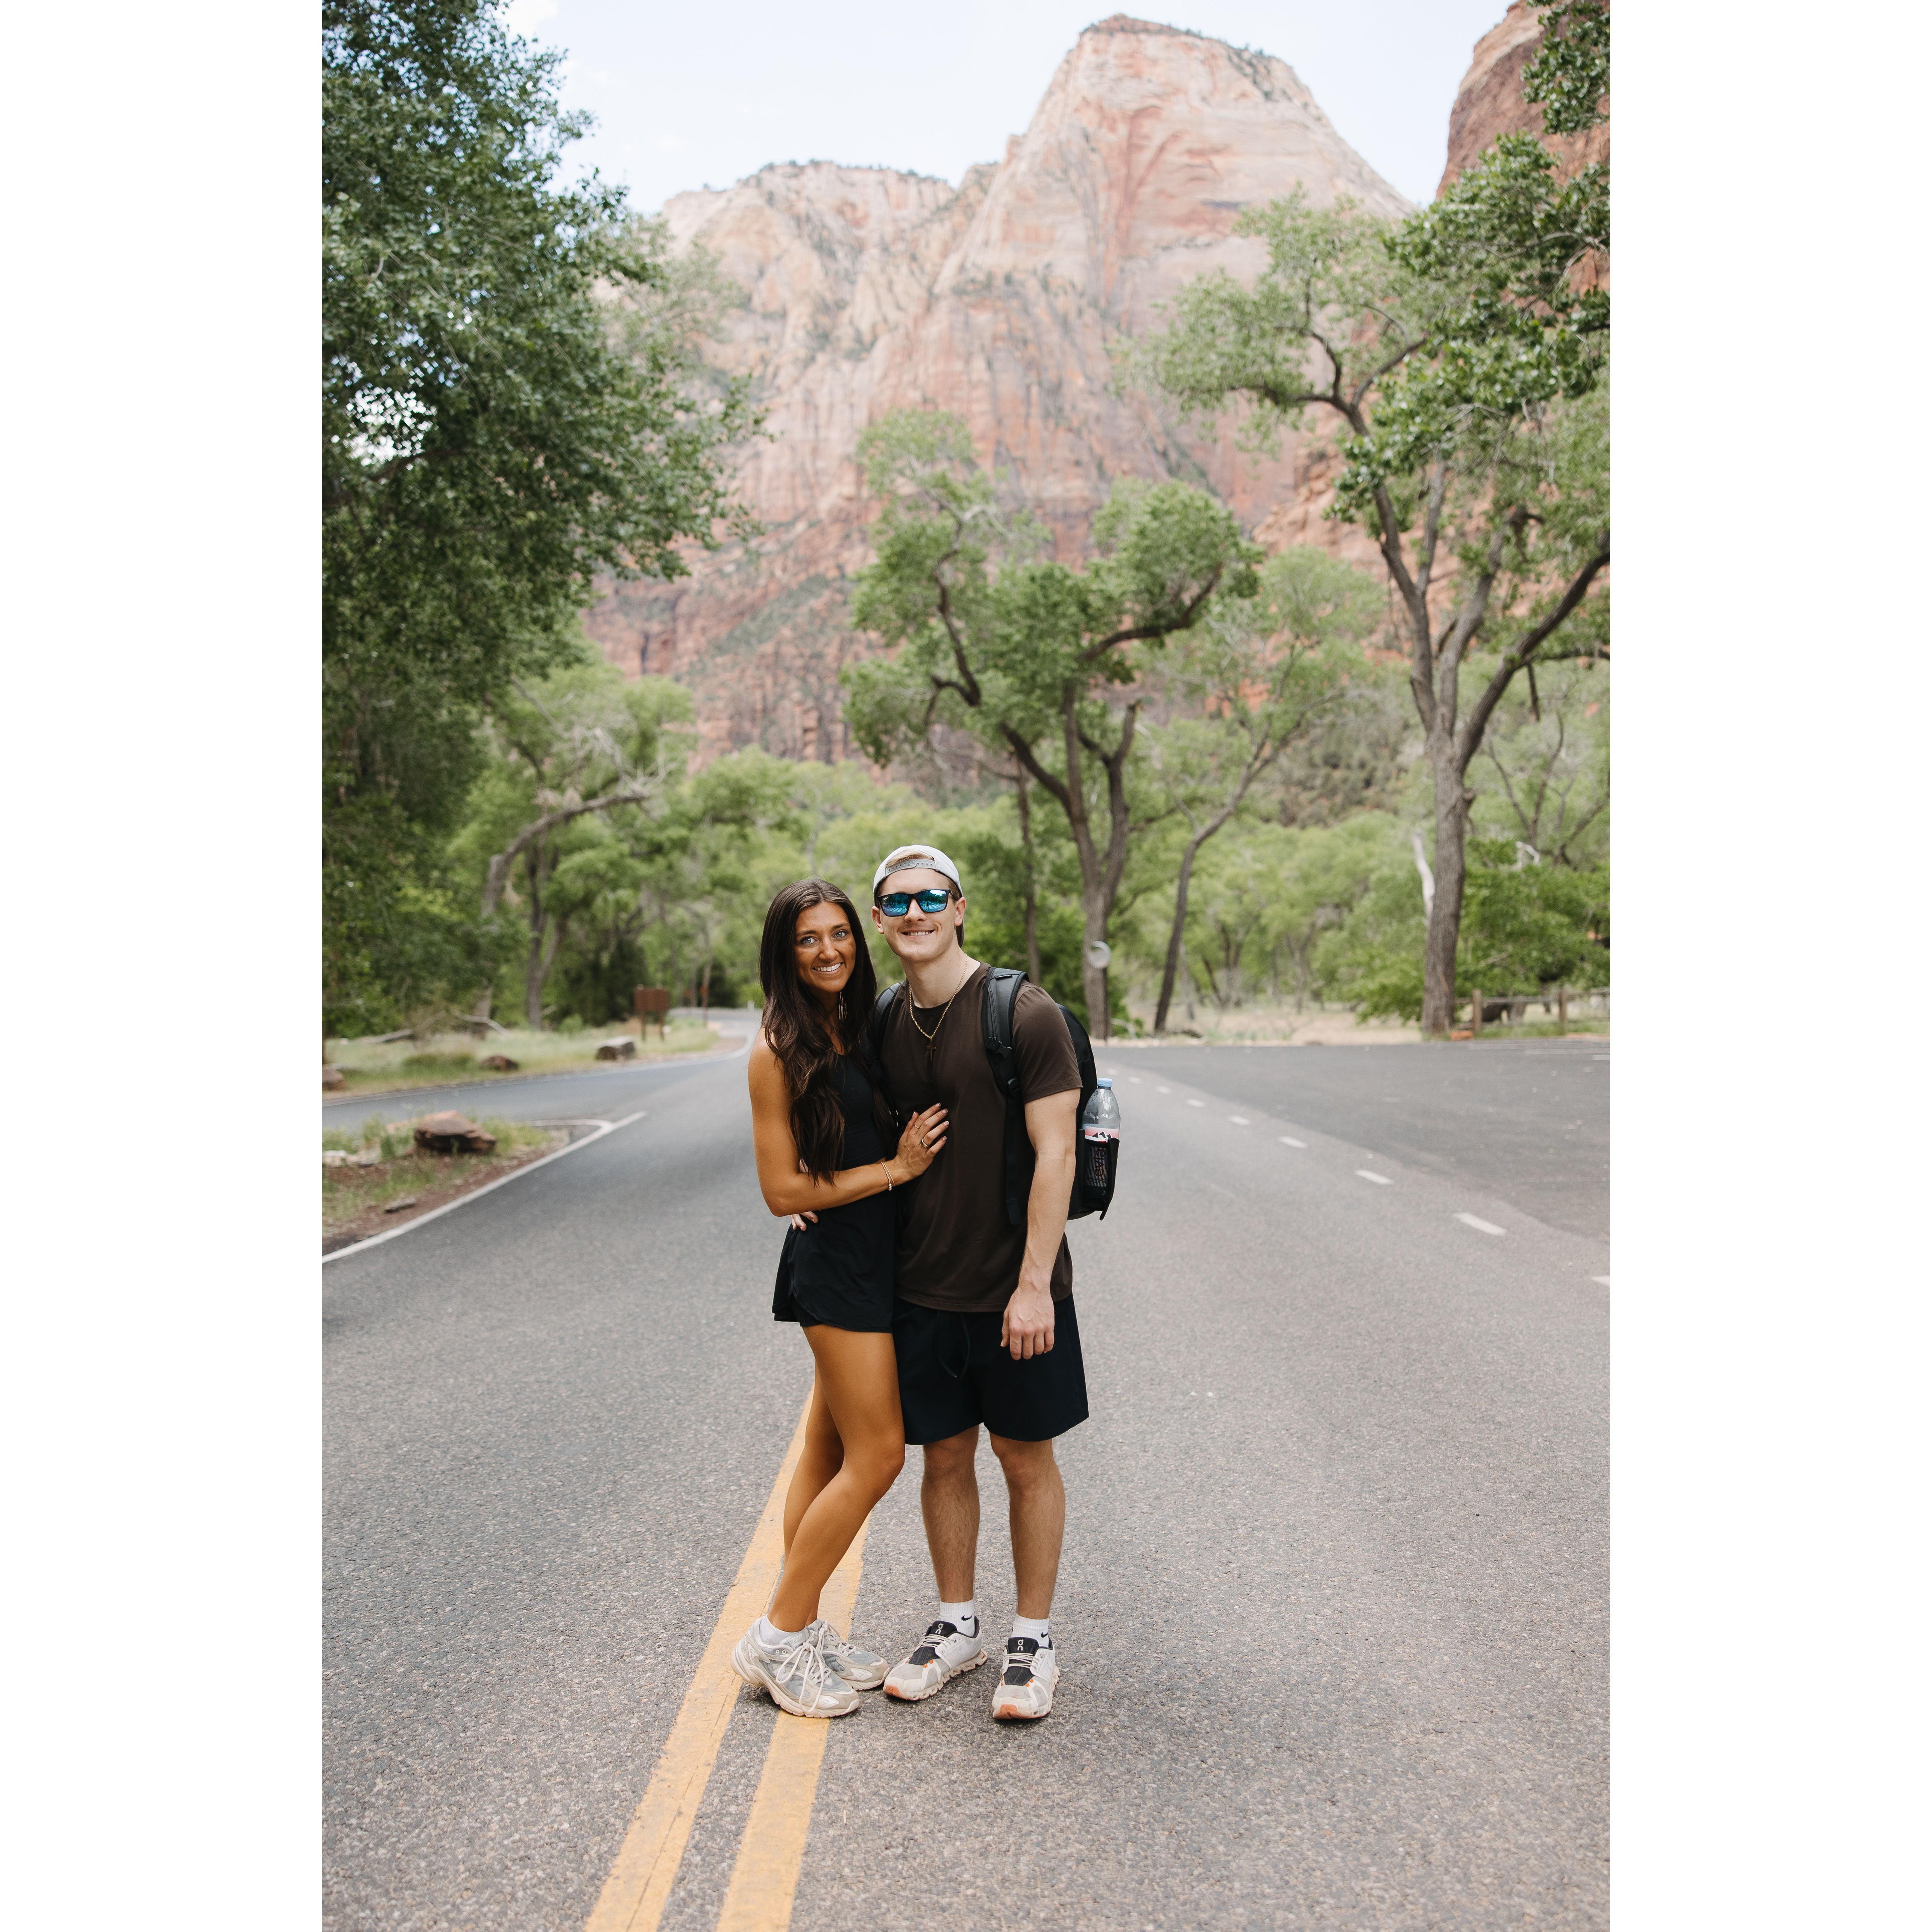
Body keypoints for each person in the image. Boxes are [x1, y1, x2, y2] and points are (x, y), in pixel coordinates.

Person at [867, 844, 1087, 1722]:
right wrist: (808, 1193)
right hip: (921, 1288)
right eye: (896, 902)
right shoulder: (883, 1018)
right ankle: (957, 1625)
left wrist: (1032, 1285)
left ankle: (1032, 1641)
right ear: (880, 921)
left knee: (1025, 1460)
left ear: (959, 907)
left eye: (930, 898)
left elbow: (1057, 1152)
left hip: (1015, 1290)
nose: (914, 913)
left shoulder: (1021, 1013)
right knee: (944, 1455)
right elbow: (845, 1122)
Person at [734, 879, 950, 1719]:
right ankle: (779, 1635)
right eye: (806, 940)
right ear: (782, 954)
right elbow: (783, 1192)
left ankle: (806, 1628)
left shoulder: (854, 1026)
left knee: (825, 1457)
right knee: (880, 1456)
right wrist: (895, 1169)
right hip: (836, 1269)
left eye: (839, 935)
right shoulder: (775, 1049)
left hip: (877, 1258)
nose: (828, 950)